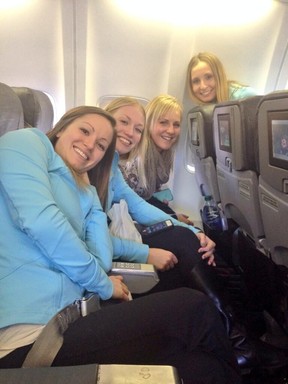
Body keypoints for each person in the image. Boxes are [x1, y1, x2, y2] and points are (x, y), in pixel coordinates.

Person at [0, 106, 242, 384]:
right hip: (32, 338)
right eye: (84, 130)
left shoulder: (82, 188)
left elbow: (102, 259)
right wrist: (104, 284)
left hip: (74, 313)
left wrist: (89, 194)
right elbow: (43, 224)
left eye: (102, 145)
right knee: (194, 308)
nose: (90, 145)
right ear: (62, 126)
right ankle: (242, 342)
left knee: (202, 367)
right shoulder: (25, 142)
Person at [88, 99, 288, 372]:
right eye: (123, 122)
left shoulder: (109, 163)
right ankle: (240, 339)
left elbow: (138, 205)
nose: (130, 133)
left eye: (137, 128)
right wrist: (146, 252)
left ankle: (239, 332)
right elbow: (90, 236)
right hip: (100, 260)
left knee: (187, 239)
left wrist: (192, 229)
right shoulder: (87, 165)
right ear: (104, 118)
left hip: (112, 243)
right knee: (183, 244)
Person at [106, 95, 193, 224]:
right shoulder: (139, 155)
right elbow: (133, 202)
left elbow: (145, 198)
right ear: (148, 123)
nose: (171, 130)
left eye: (176, 125)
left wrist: (172, 215)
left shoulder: (165, 155)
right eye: (163, 122)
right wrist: (173, 218)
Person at [187, 52, 257, 105]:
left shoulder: (245, 97)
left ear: (219, 76)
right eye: (196, 81)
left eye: (208, 77)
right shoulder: (203, 110)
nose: (203, 86)